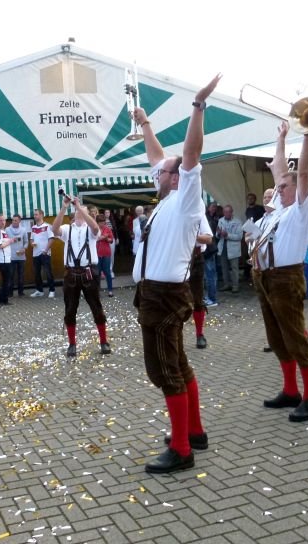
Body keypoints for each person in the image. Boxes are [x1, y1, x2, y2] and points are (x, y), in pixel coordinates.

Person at [131, 74, 220, 474]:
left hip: (164, 295)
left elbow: (190, 153)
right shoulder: (166, 198)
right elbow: (158, 156)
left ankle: (183, 449)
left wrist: (197, 106)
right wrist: (145, 122)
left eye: (165, 170)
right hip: (156, 293)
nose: (159, 171)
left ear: (177, 177)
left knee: (164, 370)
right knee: (178, 365)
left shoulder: (186, 198)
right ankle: (194, 431)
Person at [251, 122, 308, 423]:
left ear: (297, 189)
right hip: (265, 278)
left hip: (286, 277)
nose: (277, 190)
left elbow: (301, 173)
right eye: (277, 188)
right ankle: (291, 390)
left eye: (283, 187)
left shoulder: (302, 208)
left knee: (294, 336)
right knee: (277, 337)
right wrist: (279, 138)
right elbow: (280, 169)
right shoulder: (278, 207)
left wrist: (307, 135)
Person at [52, 200, 110, 357]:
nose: (79, 211)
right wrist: (64, 207)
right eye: (77, 209)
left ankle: (103, 341)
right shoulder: (67, 229)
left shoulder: (90, 229)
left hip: (89, 272)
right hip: (71, 274)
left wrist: (80, 207)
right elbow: (54, 229)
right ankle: (72, 344)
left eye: (82, 210)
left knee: (96, 308)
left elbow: (96, 228)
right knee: (70, 310)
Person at [191, 217, 214, 349]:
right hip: (177, 259)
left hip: (196, 259)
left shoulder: (198, 215)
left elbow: (208, 239)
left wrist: (191, 235)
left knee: (197, 299)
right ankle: (175, 335)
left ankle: (200, 334)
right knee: (175, 298)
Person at [217, 205, 242, 293]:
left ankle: (235, 286)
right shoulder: (220, 220)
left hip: (233, 248)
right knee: (224, 268)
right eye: (225, 212)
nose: (227, 213)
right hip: (223, 247)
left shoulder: (238, 222)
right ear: (223, 212)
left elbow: (239, 236)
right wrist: (219, 234)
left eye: (228, 212)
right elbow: (217, 235)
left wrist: (227, 235)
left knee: (234, 268)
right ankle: (226, 284)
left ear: (232, 212)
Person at [30, 209, 56, 298]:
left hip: (45, 253)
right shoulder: (33, 227)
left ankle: (52, 290)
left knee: (48, 272)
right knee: (37, 273)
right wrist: (32, 243)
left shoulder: (47, 226)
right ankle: (39, 290)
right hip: (35, 253)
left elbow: (51, 239)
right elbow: (31, 239)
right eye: (34, 214)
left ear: (41, 215)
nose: (35, 216)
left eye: (36, 214)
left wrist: (46, 250)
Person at [0, 214, 13, 306]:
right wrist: (10, 241)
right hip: (2, 260)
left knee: (6, 280)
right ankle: (2, 300)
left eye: (4, 220)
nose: (3, 222)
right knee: (6, 280)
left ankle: (4, 299)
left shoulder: (3, 231)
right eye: (0, 220)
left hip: (7, 259)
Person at [6, 214, 28, 297]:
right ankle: (10, 293)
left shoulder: (23, 230)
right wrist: (10, 241)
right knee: (10, 275)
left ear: (19, 221)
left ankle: (21, 292)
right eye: (13, 220)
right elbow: (4, 241)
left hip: (21, 256)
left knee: (21, 275)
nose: (14, 222)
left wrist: (24, 248)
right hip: (11, 256)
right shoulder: (7, 230)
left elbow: (26, 242)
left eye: (16, 220)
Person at [203, 202, 219, 306]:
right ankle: (210, 297)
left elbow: (210, 237)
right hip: (208, 250)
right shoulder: (208, 218)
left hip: (208, 250)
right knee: (209, 275)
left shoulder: (208, 220)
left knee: (210, 276)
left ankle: (212, 299)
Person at [95, 214, 115, 296]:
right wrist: (103, 237)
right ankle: (97, 291)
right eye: (101, 222)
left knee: (107, 272)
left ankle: (110, 290)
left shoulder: (107, 229)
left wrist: (106, 238)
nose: (102, 224)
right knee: (97, 273)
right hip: (96, 253)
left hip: (106, 253)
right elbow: (95, 239)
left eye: (103, 222)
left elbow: (111, 240)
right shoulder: (95, 229)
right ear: (97, 222)